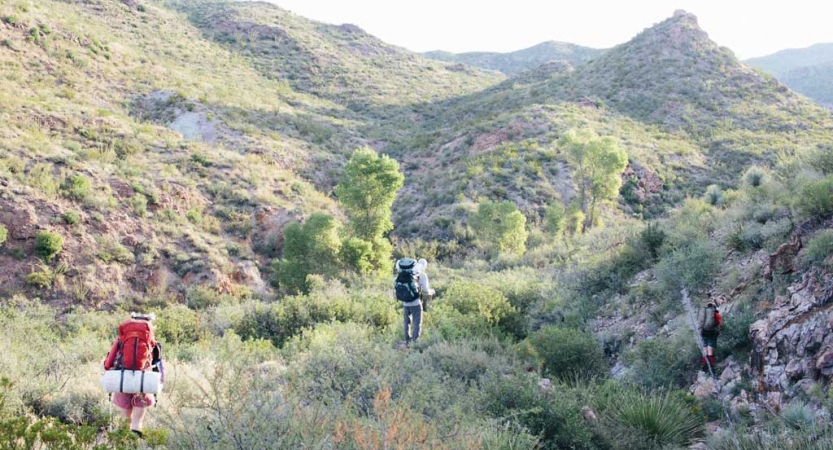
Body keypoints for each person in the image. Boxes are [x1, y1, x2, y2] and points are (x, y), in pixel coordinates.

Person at [103, 313, 161, 438]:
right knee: (137, 421)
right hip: (143, 382)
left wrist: (107, 367)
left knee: (125, 421)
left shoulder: (121, 339)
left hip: (123, 380)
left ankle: (124, 442)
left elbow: (108, 362)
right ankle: (136, 442)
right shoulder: (151, 341)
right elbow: (158, 362)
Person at [395, 258, 435, 346]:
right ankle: (415, 342)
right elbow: (426, 290)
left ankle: (407, 341)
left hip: (405, 302)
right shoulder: (422, 275)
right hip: (416, 303)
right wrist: (432, 291)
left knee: (406, 322)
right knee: (417, 323)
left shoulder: (403, 273)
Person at [699, 302, 723, 370]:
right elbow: (721, 324)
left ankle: (704, 364)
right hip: (712, 333)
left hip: (703, 332)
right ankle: (711, 366)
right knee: (710, 349)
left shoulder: (704, 314)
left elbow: (701, 322)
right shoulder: (717, 314)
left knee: (705, 348)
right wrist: (719, 330)